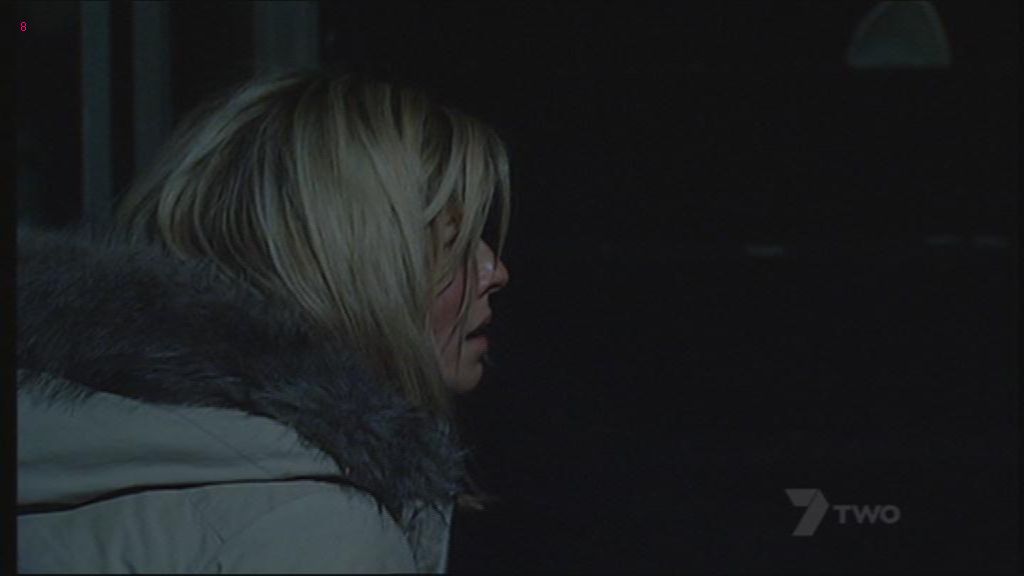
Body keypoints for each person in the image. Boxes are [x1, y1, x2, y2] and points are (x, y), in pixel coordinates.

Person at [16, 68, 511, 573]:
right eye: (452, 245)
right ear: (345, 268)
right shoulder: (318, 532)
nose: (495, 271)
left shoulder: (76, 434)